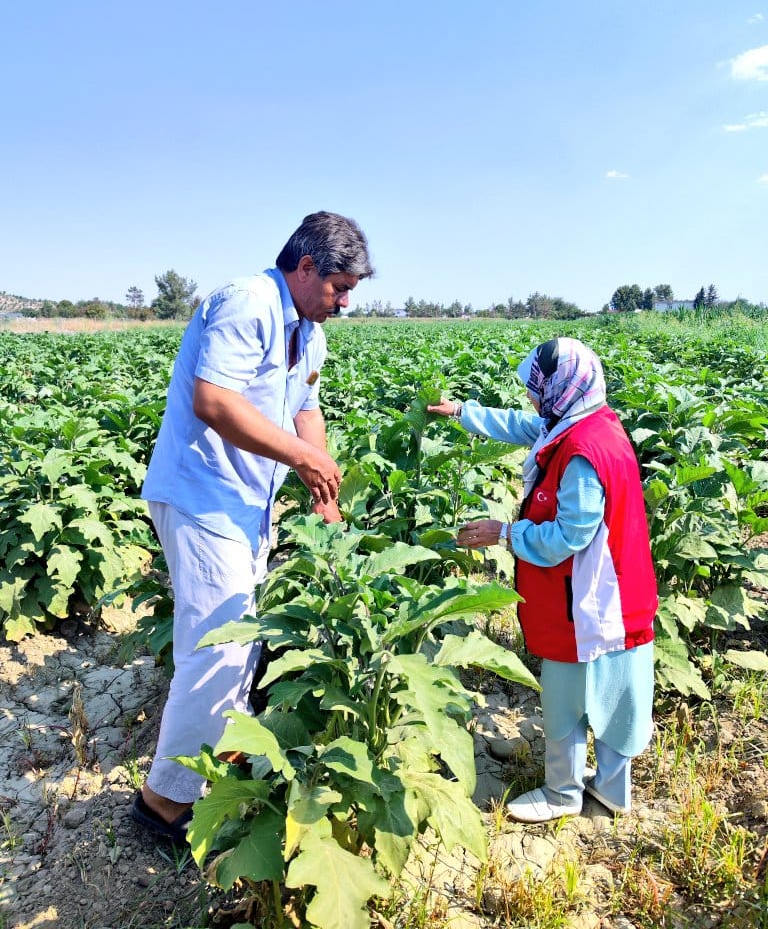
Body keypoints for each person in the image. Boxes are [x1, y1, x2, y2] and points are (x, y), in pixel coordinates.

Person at [131, 211, 374, 844]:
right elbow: (212, 401)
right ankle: (163, 803)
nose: (345, 302)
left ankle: (222, 762)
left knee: (241, 637)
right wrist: (302, 459)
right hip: (202, 497)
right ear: (305, 266)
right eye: (339, 287)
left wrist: (323, 487)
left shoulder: (308, 330)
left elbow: (306, 410)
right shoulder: (248, 302)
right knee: (220, 651)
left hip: (245, 505)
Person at [427, 337, 657, 823]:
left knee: (565, 698)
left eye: (536, 388)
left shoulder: (580, 455)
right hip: (621, 592)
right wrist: (463, 412)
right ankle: (613, 792)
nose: (532, 397)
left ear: (560, 388)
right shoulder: (589, 421)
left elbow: (569, 535)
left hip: (587, 602)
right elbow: (525, 425)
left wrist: (505, 533)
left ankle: (562, 794)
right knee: (618, 694)